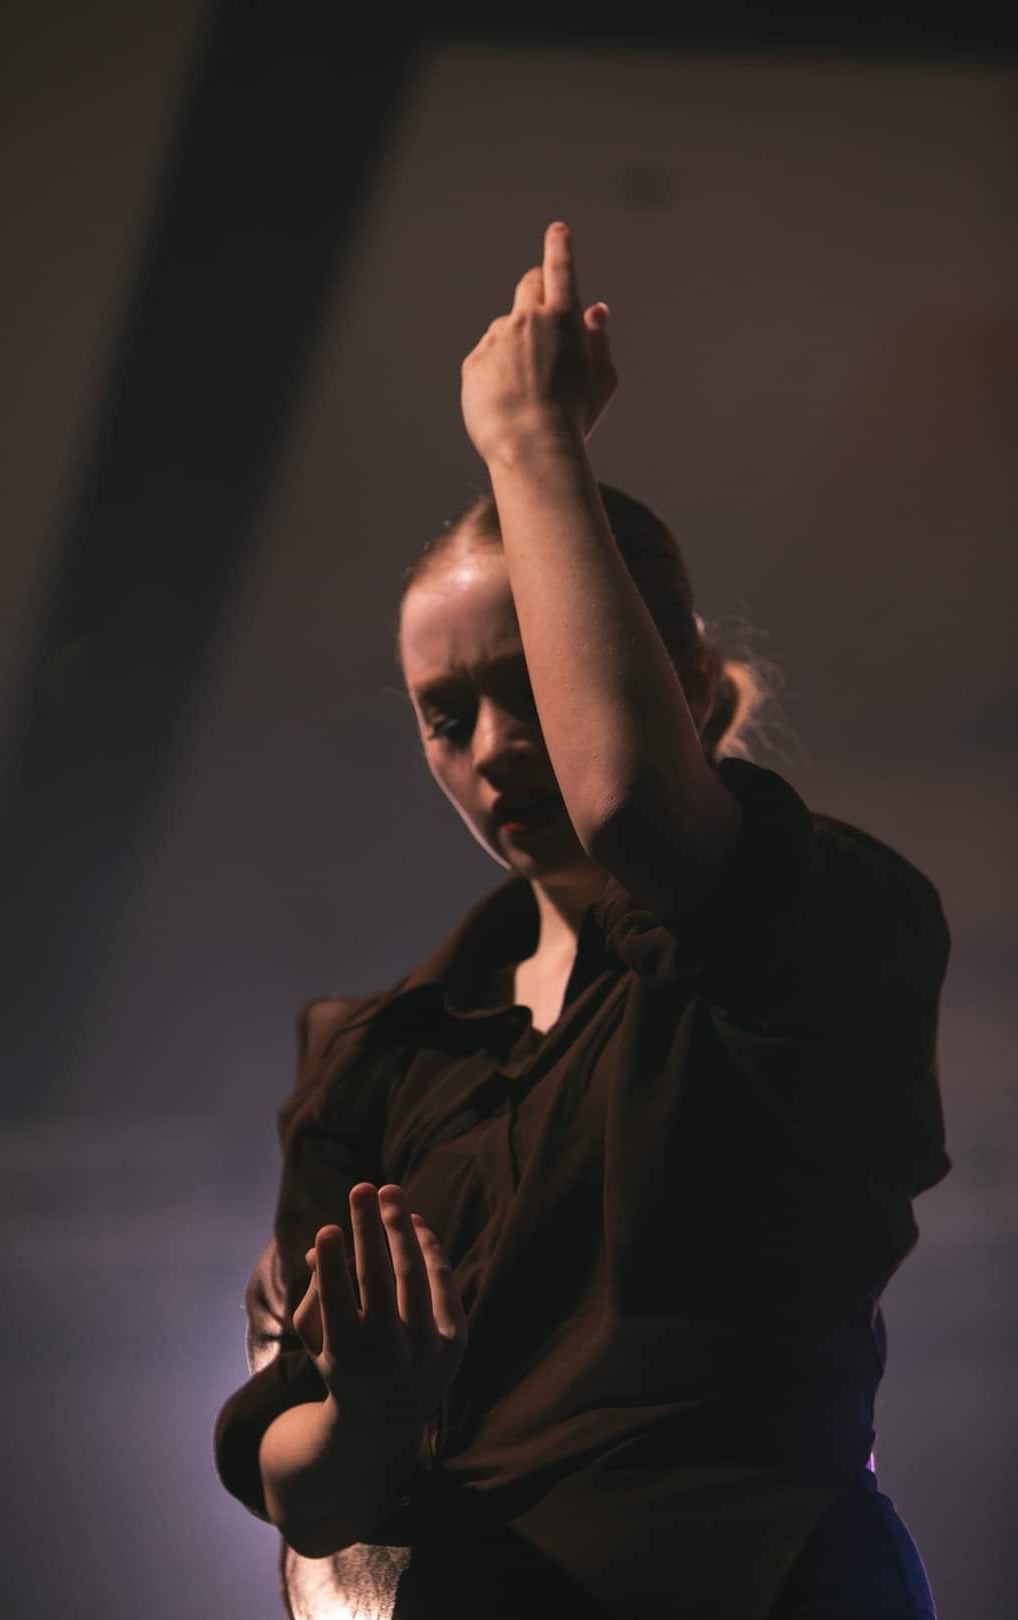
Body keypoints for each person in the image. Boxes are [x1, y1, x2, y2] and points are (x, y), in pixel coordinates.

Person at [213, 222, 949, 1619]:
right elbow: (305, 1487)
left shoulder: (823, 922)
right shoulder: (381, 1058)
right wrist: (369, 1411)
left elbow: (644, 822)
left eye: (523, 686)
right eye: (445, 715)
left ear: (665, 670)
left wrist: (534, 442)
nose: (491, 747)